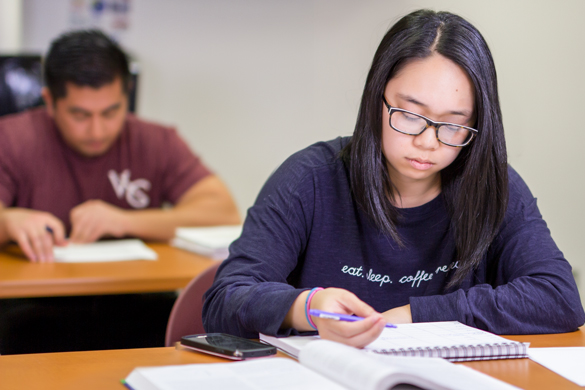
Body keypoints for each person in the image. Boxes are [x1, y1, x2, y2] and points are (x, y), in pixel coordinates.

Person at [203, 9, 585, 347]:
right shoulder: (311, 179)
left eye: (453, 124)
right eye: (410, 115)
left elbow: (558, 297)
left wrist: (415, 314)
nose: (427, 141)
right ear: (377, 97)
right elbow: (227, 298)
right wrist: (308, 306)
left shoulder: (494, 188)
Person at [0, 30, 240, 354]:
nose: (98, 130)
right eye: (80, 115)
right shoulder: (11, 139)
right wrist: (8, 221)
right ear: (50, 101)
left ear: (127, 95)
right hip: (31, 310)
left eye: (111, 112)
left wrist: (125, 221)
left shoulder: (156, 141)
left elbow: (223, 211)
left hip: (135, 304)